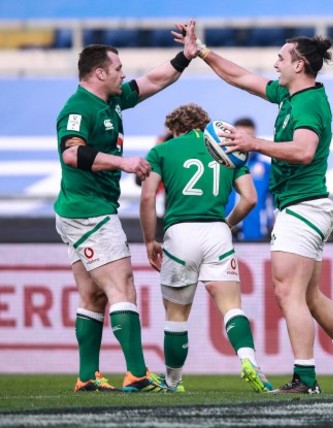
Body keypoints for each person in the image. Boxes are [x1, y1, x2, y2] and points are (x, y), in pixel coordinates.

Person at [178, 19, 333, 394]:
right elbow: (242, 78)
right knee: (309, 296)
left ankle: (306, 379)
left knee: (287, 294)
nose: (275, 64)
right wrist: (202, 52)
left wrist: (255, 143)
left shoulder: (308, 104)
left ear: (299, 65)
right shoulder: (291, 96)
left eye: (281, 58)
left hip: (301, 205)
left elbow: (304, 151)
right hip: (307, 205)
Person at [54, 32, 195, 393]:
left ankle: (87, 377)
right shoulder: (78, 108)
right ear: (99, 74)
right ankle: (136, 371)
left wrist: (185, 57)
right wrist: (125, 163)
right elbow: (72, 154)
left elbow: (152, 81)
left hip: (80, 210)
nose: (123, 73)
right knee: (122, 287)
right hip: (90, 213)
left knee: (94, 296)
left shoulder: (111, 102)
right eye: (117, 68)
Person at [139, 103, 273, 393]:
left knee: (176, 316)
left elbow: (148, 196)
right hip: (217, 233)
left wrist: (150, 240)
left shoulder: (163, 150)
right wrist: (227, 222)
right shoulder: (228, 149)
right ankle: (250, 362)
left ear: (175, 129)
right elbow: (249, 198)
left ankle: (174, 382)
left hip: (180, 233)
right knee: (232, 308)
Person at [225, 117, 274, 241]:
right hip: (224, 235)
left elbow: (275, 201)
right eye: (240, 135)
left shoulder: (266, 168)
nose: (244, 140)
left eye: (249, 136)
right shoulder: (222, 165)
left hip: (258, 236)